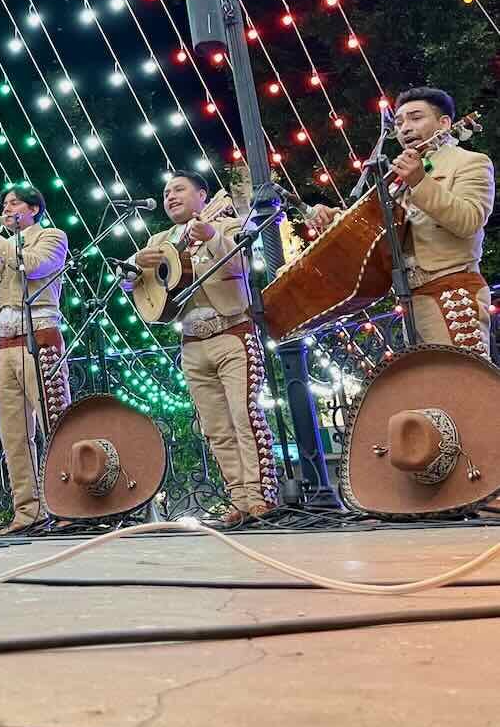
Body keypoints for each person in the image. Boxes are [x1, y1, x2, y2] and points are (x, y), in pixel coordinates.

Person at [127, 171, 277, 526]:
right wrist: (133, 271)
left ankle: (261, 497)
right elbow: (145, 293)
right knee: (214, 427)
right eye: (166, 192)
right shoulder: (160, 239)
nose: (170, 196)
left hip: (232, 332)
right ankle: (238, 499)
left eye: (179, 189)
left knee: (246, 417)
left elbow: (242, 265)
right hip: (192, 342)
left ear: (203, 196)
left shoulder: (225, 223)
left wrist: (211, 238)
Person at [308, 87, 493, 354]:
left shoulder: (470, 162)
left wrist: (420, 181)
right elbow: (380, 228)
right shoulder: (396, 177)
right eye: (399, 122)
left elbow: (469, 221)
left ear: (444, 123)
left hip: (451, 289)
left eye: (416, 118)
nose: (405, 127)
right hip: (409, 296)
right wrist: (336, 220)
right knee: (431, 392)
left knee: (463, 387)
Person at [0, 186, 71, 535]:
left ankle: (68, 504)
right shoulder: (0, 247)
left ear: (34, 208)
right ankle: (28, 511)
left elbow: (33, 267)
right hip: (5, 345)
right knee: (14, 435)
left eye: (14, 202)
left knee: (55, 423)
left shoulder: (51, 236)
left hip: (41, 336)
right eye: (4, 203)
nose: (6, 208)